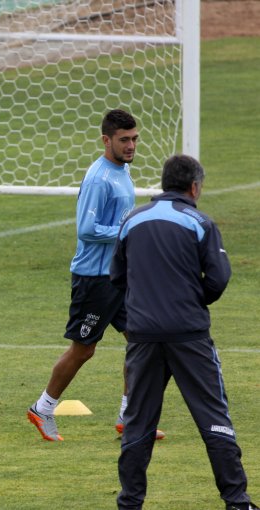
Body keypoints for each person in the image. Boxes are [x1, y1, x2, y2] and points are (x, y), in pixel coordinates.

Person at [111, 155, 256, 510]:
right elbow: (219, 278)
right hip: (189, 336)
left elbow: (116, 277)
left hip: (142, 336)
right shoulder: (200, 222)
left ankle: (129, 503)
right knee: (213, 417)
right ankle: (237, 502)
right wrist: (194, 300)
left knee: (137, 422)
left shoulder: (131, 220)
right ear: (194, 187)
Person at [27, 109, 164, 442]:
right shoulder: (99, 177)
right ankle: (42, 408)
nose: (131, 145)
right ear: (107, 140)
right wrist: (128, 229)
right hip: (94, 279)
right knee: (83, 349)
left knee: (143, 340)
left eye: (134, 139)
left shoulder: (122, 172)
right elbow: (87, 229)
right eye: (124, 140)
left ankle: (129, 418)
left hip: (118, 276)